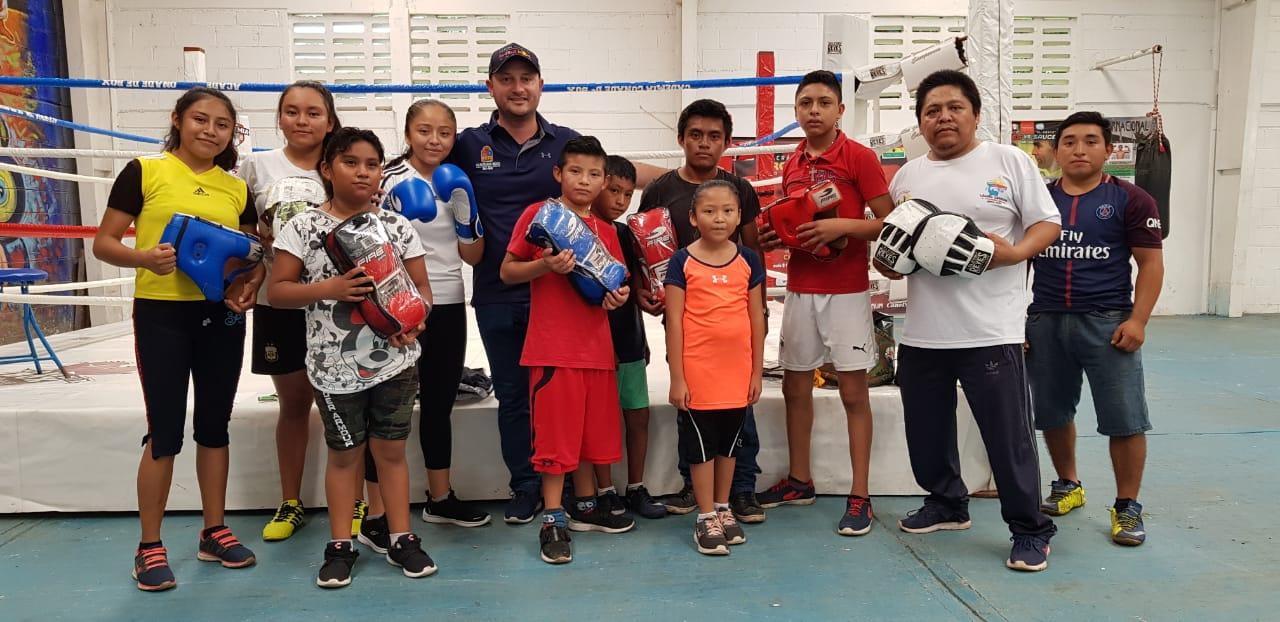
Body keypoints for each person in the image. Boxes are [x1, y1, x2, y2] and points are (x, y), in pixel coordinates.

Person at [879, 70, 1062, 572]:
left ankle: (1030, 528)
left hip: (991, 330)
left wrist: (1017, 253)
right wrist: (886, 261)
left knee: (1006, 436)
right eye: (932, 110)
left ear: (975, 114)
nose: (944, 117)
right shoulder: (908, 176)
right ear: (920, 122)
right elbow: (893, 245)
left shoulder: (1008, 160)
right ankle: (946, 502)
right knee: (926, 429)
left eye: (954, 107)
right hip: (922, 330)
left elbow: (1047, 222)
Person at [93, 87, 262, 591]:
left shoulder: (236, 188)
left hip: (220, 316)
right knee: (164, 430)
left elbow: (250, 255)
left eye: (221, 124)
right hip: (162, 313)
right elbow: (104, 243)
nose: (210, 131)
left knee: (215, 425)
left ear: (232, 133)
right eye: (200, 120)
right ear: (177, 120)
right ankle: (149, 546)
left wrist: (248, 286)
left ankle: (215, 531)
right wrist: (143, 258)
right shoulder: (145, 172)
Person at [269, 127, 436, 588]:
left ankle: (401, 536)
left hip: (396, 360)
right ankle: (340, 544)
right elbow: (277, 291)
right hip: (334, 366)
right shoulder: (302, 226)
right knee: (344, 457)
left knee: (392, 453)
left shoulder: (397, 227)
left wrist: (415, 318)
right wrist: (329, 289)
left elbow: (423, 292)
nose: (363, 172)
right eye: (350, 162)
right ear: (327, 168)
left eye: (372, 163)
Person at [445, 43, 582, 524]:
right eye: (507, 79)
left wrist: (682, 178)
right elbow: (412, 165)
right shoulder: (467, 144)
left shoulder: (566, 142)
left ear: (540, 85)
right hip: (497, 293)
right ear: (491, 87)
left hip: (555, 293)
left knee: (557, 393)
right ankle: (525, 487)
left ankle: (560, 486)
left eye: (527, 78)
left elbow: (611, 178)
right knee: (513, 394)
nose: (518, 87)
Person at [755, 70, 895, 536]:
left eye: (823, 102)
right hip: (800, 289)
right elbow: (796, 221)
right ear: (795, 112)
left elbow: (890, 222)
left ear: (839, 110)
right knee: (795, 388)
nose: (813, 110)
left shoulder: (859, 156)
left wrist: (843, 228)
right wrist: (777, 234)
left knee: (854, 393)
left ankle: (861, 496)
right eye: (805, 103)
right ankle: (799, 480)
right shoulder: (792, 163)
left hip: (848, 291)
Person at [358, 99, 490, 554]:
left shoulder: (458, 180)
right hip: (400, 306)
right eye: (425, 131)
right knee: (386, 411)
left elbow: (472, 256)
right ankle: (375, 514)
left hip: (450, 302)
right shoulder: (389, 178)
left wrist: (466, 214)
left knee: (438, 403)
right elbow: (366, 244)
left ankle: (440, 497)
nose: (435, 140)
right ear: (408, 132)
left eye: (444, 133)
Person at [1027, 111, 1164, 546]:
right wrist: (1020, 322)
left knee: (1124, 420)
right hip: (1046, 321)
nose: (1079, 149)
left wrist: (1138, 320)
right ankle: (1068, 484)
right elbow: (1016, 265)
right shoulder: (1038, 200)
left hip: (1108, 323)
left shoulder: (1131, 199)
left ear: (1108, 150)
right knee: (1052, 412)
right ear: (1055, 151)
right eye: (1069, 141)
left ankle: (1127, 506)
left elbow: (1151, 265)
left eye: (1090, 141)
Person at [499, 136, 635, 564]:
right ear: (559, 173)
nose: (585, 180)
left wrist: (619, 297)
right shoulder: (541, 216)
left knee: (594, 438)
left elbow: (618, 286)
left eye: (595, 174)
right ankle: (553, 518)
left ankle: (586, 508)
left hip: (597, 350)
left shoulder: (608, 231)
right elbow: (506, 272)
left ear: (604, 181)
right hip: (553, 349)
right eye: (576, 171)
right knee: (555, 443)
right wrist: (544, 265)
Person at [638, 98, 767, 523]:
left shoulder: (740, 190)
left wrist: (757, 313)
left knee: (738, 409)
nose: (704, 143)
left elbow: (751, 250)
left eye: (714, 136)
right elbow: (644, 245)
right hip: (685, 319)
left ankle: (741, 490)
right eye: (696, 134)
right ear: (681, 139)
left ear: (727, 142)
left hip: (732, 318)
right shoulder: (661, 190)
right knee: (689, 402)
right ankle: (696, 489)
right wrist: (646, 290)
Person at [237, 80, 353, 543]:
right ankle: (291, 501)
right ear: (280, 117)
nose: (302, 121)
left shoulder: (341, 165)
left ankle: (358, 499)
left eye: (312, 112)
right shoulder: (257, 166)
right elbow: (245, 236)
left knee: (348, 404)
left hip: (340, 303)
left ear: (329, 118)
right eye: (292, 111)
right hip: (278, 301)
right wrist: (254, 253)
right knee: (294, 405)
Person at [664, 180, 766, 555]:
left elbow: (757, 317)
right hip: (698, 373)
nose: (719, 218)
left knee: (729, 445)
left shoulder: (749, 260)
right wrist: (678, 377)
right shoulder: (682, 261)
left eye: (727, 211)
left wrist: (755, 372)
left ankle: (723, 508)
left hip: (737, 374)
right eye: (709, 211)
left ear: (740, 216)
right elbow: (673, 322)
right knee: (702, 448)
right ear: (693, 217)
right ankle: (705, 515)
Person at [589, 155, 667, 519]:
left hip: (629, 340)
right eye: (613, 191)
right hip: (596, 345)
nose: (620, 200)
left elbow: (634, 287)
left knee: (638, 415)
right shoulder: (579, 231)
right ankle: (604, 490)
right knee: (601, 420)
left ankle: (635, 486)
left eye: (626, 193)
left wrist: (642, 336)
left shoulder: (625, 233)